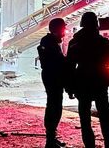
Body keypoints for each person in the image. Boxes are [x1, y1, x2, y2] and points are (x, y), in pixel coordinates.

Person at [66, 12, 109, 148]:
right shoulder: (102, 42)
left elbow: (70, 67)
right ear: (96, 24)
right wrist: (108, 80)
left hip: (82, 84)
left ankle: (90, 145)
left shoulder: (75, 43)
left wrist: (70, 88)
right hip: (100, 83)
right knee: (105, 119)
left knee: (85, 120)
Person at [38, 18, 69, 148]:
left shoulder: (50, 41)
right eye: (63, 29)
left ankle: (52, 138)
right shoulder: (50, 43)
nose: (65, 32)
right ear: (58, 29)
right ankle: (50, 140)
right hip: (53, 77)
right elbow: (58, 62)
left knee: (54, 106)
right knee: (54, 107)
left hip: (51, 76)